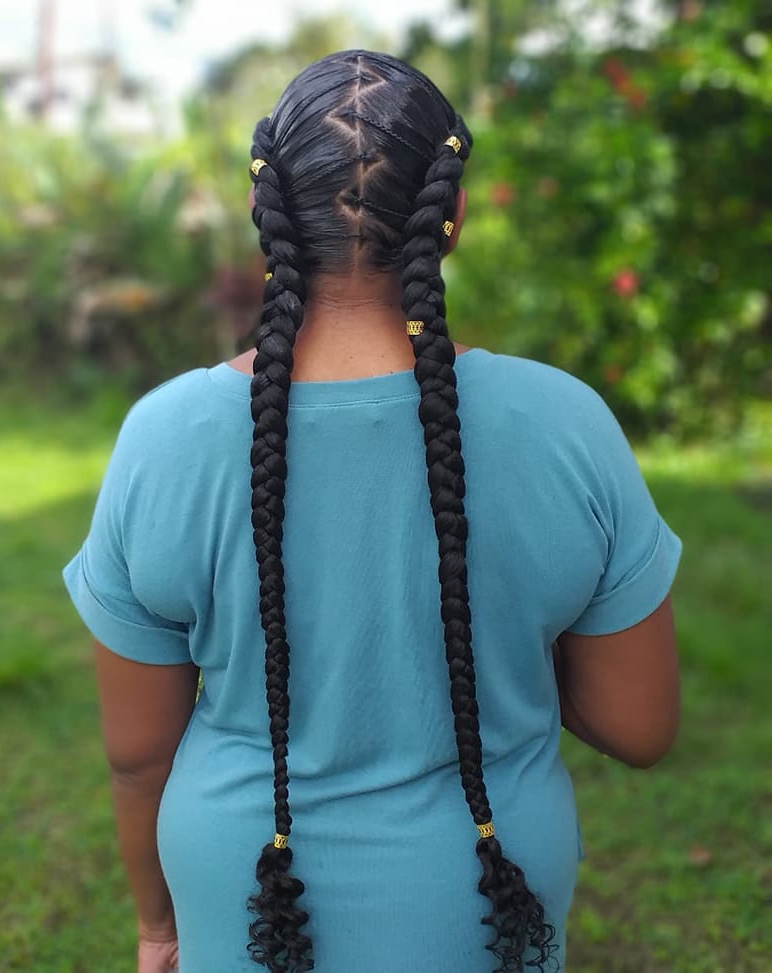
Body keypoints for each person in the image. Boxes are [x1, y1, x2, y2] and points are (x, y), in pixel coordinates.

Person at [63, 50, 681, 973]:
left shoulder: (164, 436)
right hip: (486, 898)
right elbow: (638, 724)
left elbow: (138, 756)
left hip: (245, 900)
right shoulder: (567, 425)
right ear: (453, 213)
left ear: (261, 210)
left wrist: (159, 927)